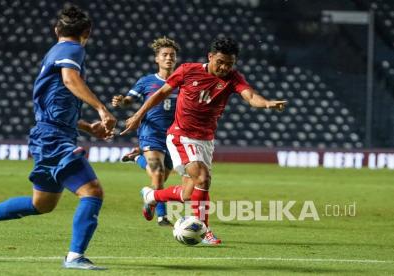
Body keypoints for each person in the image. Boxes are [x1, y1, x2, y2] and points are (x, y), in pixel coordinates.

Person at [0, 5, 116, 270]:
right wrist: (101, 109)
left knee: (41, 204)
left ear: (56, 30)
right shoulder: (73, 49)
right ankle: (74, 257)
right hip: (54, 138)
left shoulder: (52, 53)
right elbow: (70, 79)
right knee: (92, 191)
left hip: (49, 134)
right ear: (87, 33)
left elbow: (55, 104)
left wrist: (88, 128)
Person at [122, 37, 286, 245]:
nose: (225, 67)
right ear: (210, 57)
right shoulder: (187, 70)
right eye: (221, 62)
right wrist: (137, 115)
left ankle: (152, 196)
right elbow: (160, 94)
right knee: (203, 177)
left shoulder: (233, 78)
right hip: (181, 135)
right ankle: (204, 230)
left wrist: (267, 104)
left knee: (189, 193)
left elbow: (251, 96)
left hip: (205, 140)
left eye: (230, 63)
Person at [112, 36, 180, 226]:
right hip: (151, 132)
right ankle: (162, 216)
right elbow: (129, 100)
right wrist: (121, 101)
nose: (168, 58)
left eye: (172, 55)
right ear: (156, 59)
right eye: (164, 55)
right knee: (158, 175)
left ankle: (137, 161)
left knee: (162, 177)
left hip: (172, 136)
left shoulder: (181, 81)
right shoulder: (147, 81)